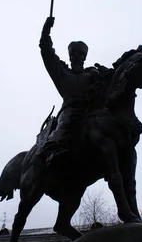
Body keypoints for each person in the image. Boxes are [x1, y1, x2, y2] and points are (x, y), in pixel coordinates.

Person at [39, 16, 110, 168]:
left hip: (89, 112)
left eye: (81, 55)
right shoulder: (63, 73)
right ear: (70, 57)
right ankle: (53, 153)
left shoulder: (92, 74)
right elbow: (46, 51)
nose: (77, 58)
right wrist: (46, 29)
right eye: (74, 55)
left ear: (84, 57)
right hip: (69, 113)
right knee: (63, 128)